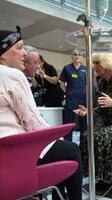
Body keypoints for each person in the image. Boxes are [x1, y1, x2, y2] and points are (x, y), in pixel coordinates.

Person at [0, 27, 83, 200]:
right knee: (72, 149)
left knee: (60, 150)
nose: (24, 53)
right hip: (14, 152)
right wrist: (56, 138)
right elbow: (32, 120)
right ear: (3, 53)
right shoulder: (12, 75)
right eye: (19, 47)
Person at [73, 53, 112, 189]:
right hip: (107, 121)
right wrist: (88, 111)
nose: (94, 66)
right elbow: (103, 109)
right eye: (94, 62)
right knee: (86, 136)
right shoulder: (102, 83)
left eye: (97, 63)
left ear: (106, 64)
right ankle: (97, 175)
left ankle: (110, 178)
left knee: (102, 136)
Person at [59, 48, 87, 141]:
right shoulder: (67, 68)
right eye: (75, 54)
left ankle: (84, 147)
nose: (77, 56)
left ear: (82, 57)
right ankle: (68, 146)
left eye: (79, 54)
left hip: (83, 101)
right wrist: (66, 92)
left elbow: (89, 85)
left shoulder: (86, 69)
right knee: (69, 125)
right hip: (70, 100)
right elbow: (62, 82)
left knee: (84, 126)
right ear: (72, 56)